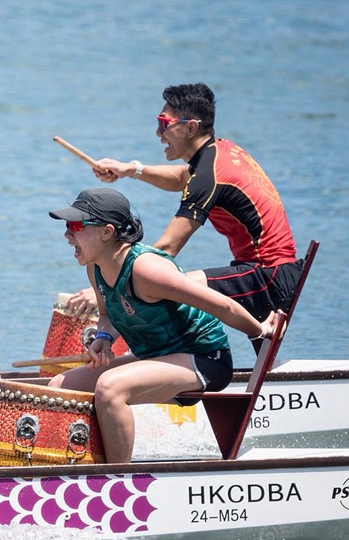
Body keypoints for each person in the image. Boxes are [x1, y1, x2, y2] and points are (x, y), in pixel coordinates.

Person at [47, 188, 279, 463]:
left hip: (204, 359)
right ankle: (74, 464)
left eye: (75, 226)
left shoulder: (147, 270)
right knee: (59, 385)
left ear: (107, 232)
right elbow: (108, 315)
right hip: (157, 357)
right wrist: (104, 338)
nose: (67, 235)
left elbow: (221, 305)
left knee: (110, 388)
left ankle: (116, 480)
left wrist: (260, 331)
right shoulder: (95, 267)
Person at [65, 83, 301, 324]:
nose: (158, 133)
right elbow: (181, 178)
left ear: (190, 127)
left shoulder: (209, 177)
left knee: (157, 284)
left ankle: (182, 358)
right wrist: (130, 169)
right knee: (157, 283)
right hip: (272, 272)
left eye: (164, 124)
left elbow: (167, 248)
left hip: (267, 276)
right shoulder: (222, 153)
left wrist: (105, 291)